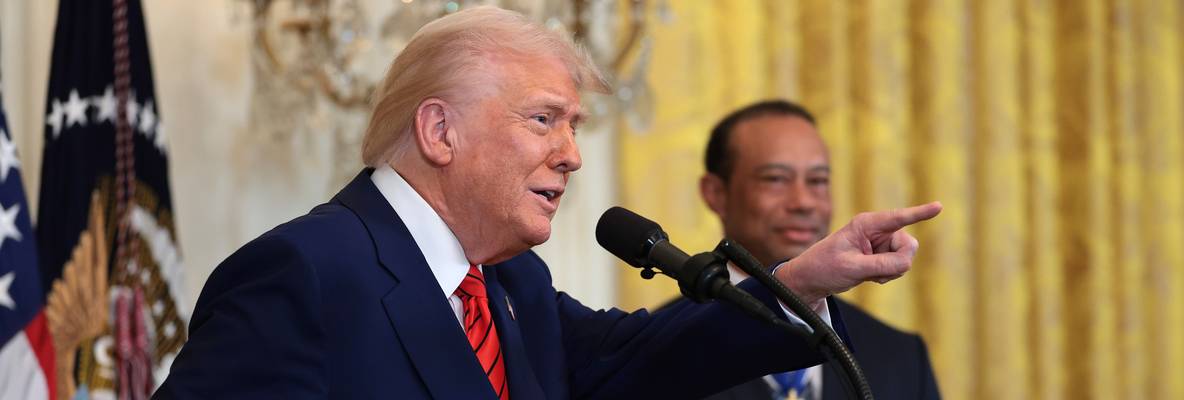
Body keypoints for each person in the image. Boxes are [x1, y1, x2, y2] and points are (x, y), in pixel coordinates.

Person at [153, 8, 941, 400]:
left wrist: (801, 280)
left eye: (574, 126)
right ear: (439, 130)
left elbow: (643, 358)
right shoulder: (309, 272)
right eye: (543, 120)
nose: (570, 153)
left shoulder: (510, 284)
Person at [694, 100, 941, 399]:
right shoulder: (660, 352)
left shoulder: (900, 357)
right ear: (716, 194)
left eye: (817, 181)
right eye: (775, 179)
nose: (803, 202)